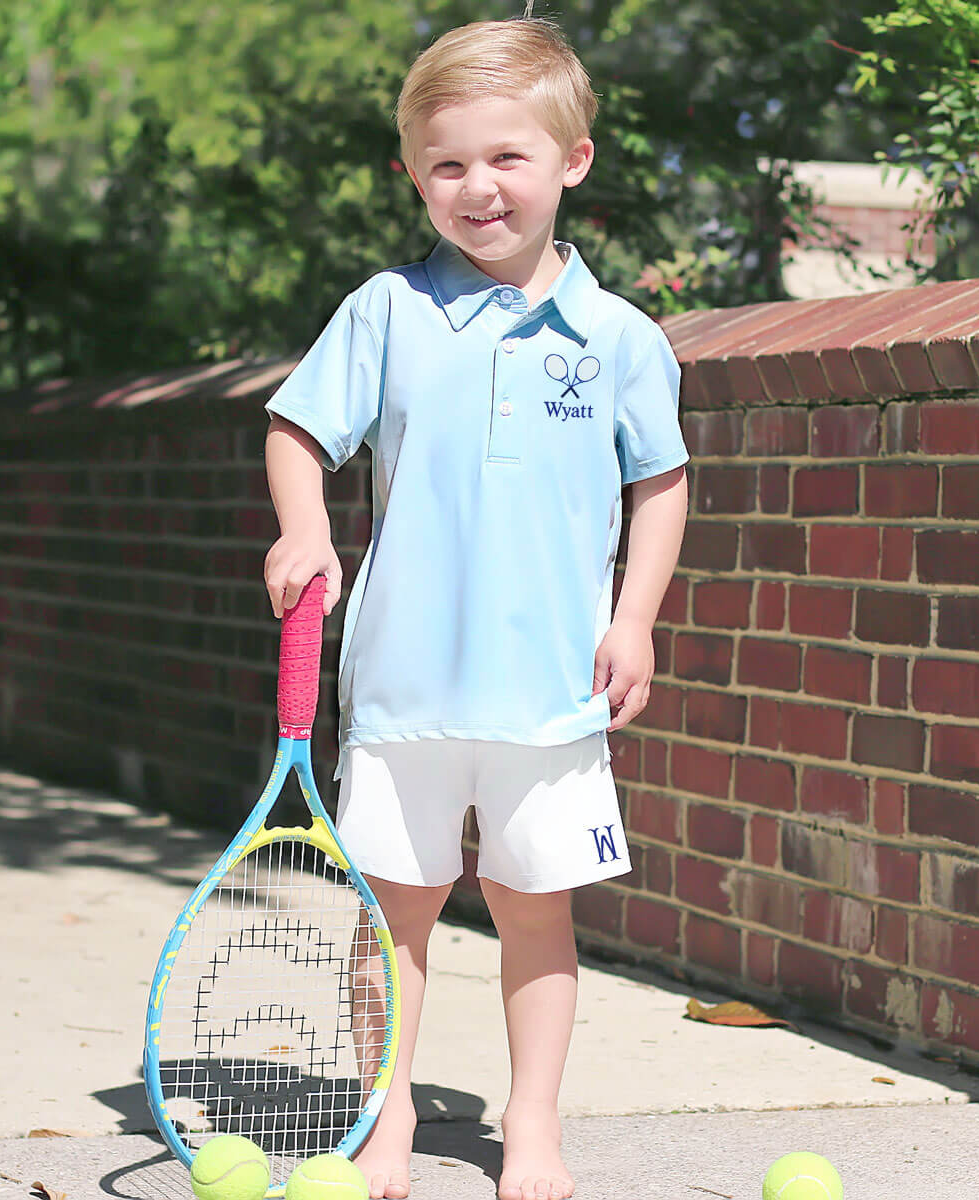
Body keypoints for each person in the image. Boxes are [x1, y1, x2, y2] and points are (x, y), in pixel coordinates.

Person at [261, 16, 689, 1200]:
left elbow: (660, 484)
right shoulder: (386, 311)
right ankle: (384, 1118)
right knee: (390, 918)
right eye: (447, 164)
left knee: (534, 915)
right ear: (413, 176)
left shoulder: (619, 339)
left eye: (507, 157)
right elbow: (297, 430)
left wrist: (635, 617)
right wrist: (304, 526)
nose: (478, 186)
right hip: (401, 686)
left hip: (551, 695)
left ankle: (533, 1126)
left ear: (574, 161)